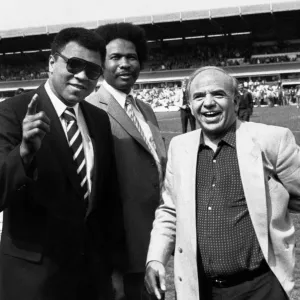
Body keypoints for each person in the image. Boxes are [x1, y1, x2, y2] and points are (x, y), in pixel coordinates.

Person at [145, 66, 300, 300]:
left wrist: (278, 201)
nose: (208, 103)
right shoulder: (180, 147)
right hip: (202, 289)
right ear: (190, 105)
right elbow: (170, 209)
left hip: (262, 287)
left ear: (236, 102)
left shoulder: (272, 140)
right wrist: (156, 257)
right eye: (199, 96)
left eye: (218, 94)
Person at [0, 27, 122, 300]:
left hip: (90, 276)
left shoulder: (99, 120)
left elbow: (107, 202)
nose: (82, 76)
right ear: (52, 62)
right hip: (34, 279)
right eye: (74, 64)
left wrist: (112, 266)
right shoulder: (12, 112)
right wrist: (23, 154)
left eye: (93, 71)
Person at [87, 23, 167, 300]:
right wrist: (109, 263)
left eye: (131, 57)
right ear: (100, 63)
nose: (124, 64)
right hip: (121, 251)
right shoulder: (91, 108)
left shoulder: (145, 109)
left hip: (153, 242)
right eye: (115, 57)